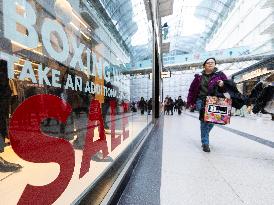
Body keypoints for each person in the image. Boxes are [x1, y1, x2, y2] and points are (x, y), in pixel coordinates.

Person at [187, 58, 227, 152]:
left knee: (212, 121)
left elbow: (229, 85)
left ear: (215, 64)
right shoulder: (198, 77)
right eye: (208, 63)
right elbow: (192, 89)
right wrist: (190, 101)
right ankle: (205, 143)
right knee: (204, 121)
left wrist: (223, 83)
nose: (210, 64)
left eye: (212, 62)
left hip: (215, 100)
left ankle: (204, 135)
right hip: (201, 100)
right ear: (204, 65)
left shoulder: (220, 75)